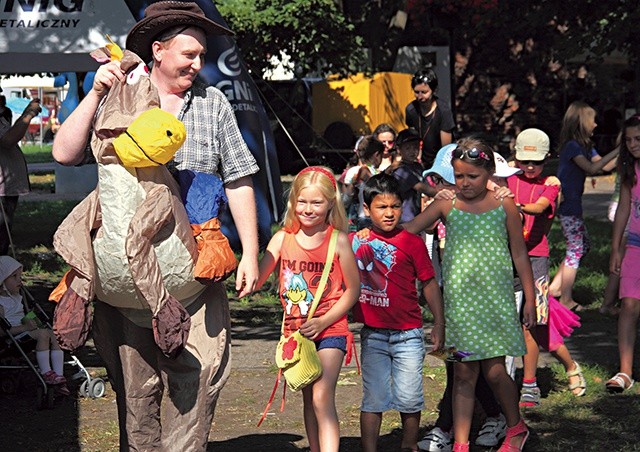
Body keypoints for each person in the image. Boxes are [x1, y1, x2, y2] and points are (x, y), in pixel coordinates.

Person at [52, 2, 260, 450]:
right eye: (189, 54)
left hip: (195, 273)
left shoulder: (212, 102)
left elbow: (239, 177)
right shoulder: (119, 94)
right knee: (135, 392)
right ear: (159, 50)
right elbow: (64, 154)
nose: (198, 64)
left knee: (199, 380)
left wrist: (248, 252)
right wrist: (94, 92)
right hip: (124, 276)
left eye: (202, 55)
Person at [403, 138, 536, 452]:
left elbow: (519, 254)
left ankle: (516, 427)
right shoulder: (446, 203)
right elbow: (409, 229)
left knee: (494, 372)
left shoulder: (504, 204)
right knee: (463, 372)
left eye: (473, 176)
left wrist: (530, 297)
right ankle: (461, 444)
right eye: (459, 175)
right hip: (460, 306)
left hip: (495, 305)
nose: (465, 183)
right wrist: (373, 226)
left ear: (489, 171)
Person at [255, 166, 360, 452]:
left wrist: (324, 320)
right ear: (293, 203)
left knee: (321, 396)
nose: (309, 209)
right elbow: (257, 277)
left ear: (330, 204)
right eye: (302, 201)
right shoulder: (282, 239)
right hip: (296, 334)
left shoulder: (337, 240)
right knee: (308, 397)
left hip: (331, 329)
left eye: (317, 203)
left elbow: (353, 290)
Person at [350, 173, 444, 452]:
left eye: (395, 206)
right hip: (373, 333)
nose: (389, 213)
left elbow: (428, 282)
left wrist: (438, 322)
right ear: (367, 209)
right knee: (373, 398)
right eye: (381, 207)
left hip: (409, 335)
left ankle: (409, 444)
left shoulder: (412, 241)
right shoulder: (355, 241)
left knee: (410, 396)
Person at [508, 128, 585, 406]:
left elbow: (540, 207)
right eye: (524, 161)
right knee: (515, 324)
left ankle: (531, 384)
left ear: (547, 159)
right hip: (506, 259)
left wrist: (512, 204)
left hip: (534, 260)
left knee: (533, 325)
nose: (529, 167)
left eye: (536, 162)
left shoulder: (550, 185)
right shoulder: (506, 178)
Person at [549, 101, 619, 311]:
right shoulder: (572, 146)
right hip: (568, 205)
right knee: (576, 248)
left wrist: (622, 152)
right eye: (592, 120)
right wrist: (617, 150)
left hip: (574, 204)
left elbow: (604, 166)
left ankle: (554, 289)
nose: (596, 125)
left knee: (582, 245)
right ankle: (566, 299)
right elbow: (591, 167)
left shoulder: (584, 146)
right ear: (581, 121)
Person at [0, 256, 69, 395]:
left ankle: (59, 375)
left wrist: (32, 321)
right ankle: (46, 372)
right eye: (14, 276)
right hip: (11, 339)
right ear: (1, 281)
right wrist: (25, 328)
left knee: (51, 333)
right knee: (43, 334)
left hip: (25, 334)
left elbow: (24, 316)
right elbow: (2, 332)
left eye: (20, 276)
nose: (20, 280)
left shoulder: (17, 298)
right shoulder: (1, 304)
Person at [606, 115, 640, 393]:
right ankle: (625, 371)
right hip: (635, 245)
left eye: (637, 139)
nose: (632, 145)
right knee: (628, 306)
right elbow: (624, 210)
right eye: (628, 140)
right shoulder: (631, 170)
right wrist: (616, 248)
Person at [0, 97, 40, 255]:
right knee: (1, 239)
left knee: (4, 237)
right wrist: (29, 114)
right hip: (2, 187)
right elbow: (7, 140)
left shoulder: (5, 113)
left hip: (7, 187)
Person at [405, 68, 455, 169]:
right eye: (416, 92)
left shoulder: (443, 111)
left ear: (434, 90)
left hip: (441, 160)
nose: (420, 96)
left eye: (424, 92)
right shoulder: (411, 109)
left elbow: (446, 149)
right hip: (420, 161)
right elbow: (412, 138)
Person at [391, 129, 437, 223]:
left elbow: (427, 184)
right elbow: (422, 187)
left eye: (415, 147)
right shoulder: (400, 170)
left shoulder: (418, 166)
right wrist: (442, 194)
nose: (412, 151)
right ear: (399, 149)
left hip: (416, 215)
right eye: (408, 148)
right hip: (404, 218)